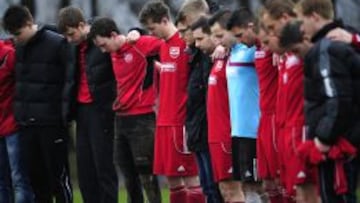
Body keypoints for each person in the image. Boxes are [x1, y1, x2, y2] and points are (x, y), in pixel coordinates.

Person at [283, 1, 360, 202]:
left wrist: (324, 139)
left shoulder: (326, 48)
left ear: (315, 17)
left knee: (337, 196)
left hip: (338, 146)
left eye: (301, 21)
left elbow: (337, 99)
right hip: (346, 138)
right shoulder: (343, 40)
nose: (300, 28)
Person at [88, 16, 163, 203]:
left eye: (103, 45)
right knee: (128, 175)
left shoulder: (140, 44)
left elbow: (167, 43)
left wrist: (140, 32)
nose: (102, 50)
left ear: (114, 35)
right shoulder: (113, 53)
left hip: (142, 118)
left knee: (147, 175)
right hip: (121, 119)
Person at [2, 5, 73, 203]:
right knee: (37, 182)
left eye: (18, 33)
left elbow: (70, 80)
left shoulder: (57, 44)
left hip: (51, 124)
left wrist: (63, 115)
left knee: (58, 180)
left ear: (28, 23)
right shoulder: (19, 48)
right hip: (26, 125)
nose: (16, 38)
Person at [139, 1, 205, 203]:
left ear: (165, 20)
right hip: (164, 122)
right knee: (172, 181)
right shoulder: (163, 45)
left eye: (152, 28)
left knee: (192, 180)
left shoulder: (185, 43)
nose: (151, 32)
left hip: (180, 122)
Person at [57, 7, 118, 203]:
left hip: (101, 111)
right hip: (81, 112)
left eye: (71, 34)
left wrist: (137, 32)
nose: (69, 39)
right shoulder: (73, 46)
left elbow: (126, 38)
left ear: (82, 26)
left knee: (103, 166)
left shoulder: (101, 40)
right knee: (85, 169)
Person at [261, 1, 319, 202]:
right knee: (297, 192)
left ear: (285, 19)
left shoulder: (308, 47)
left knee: (309, 192)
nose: (268, 36)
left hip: (302, 129)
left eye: (270, 29)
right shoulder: (286, 55)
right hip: (287, 130)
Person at [190, 15, 233, 203]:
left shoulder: (228, 56)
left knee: (227, 188)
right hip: (205, 131)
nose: (196, 44)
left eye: (200, 38)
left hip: (225, 132)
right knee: (212, 187)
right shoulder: (206, 59)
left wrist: (225, 46)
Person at [0, 39, 34, 203]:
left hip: (14, 125)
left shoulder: (9, 55)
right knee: (2, 181)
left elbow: (26, 86)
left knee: (19, 179)